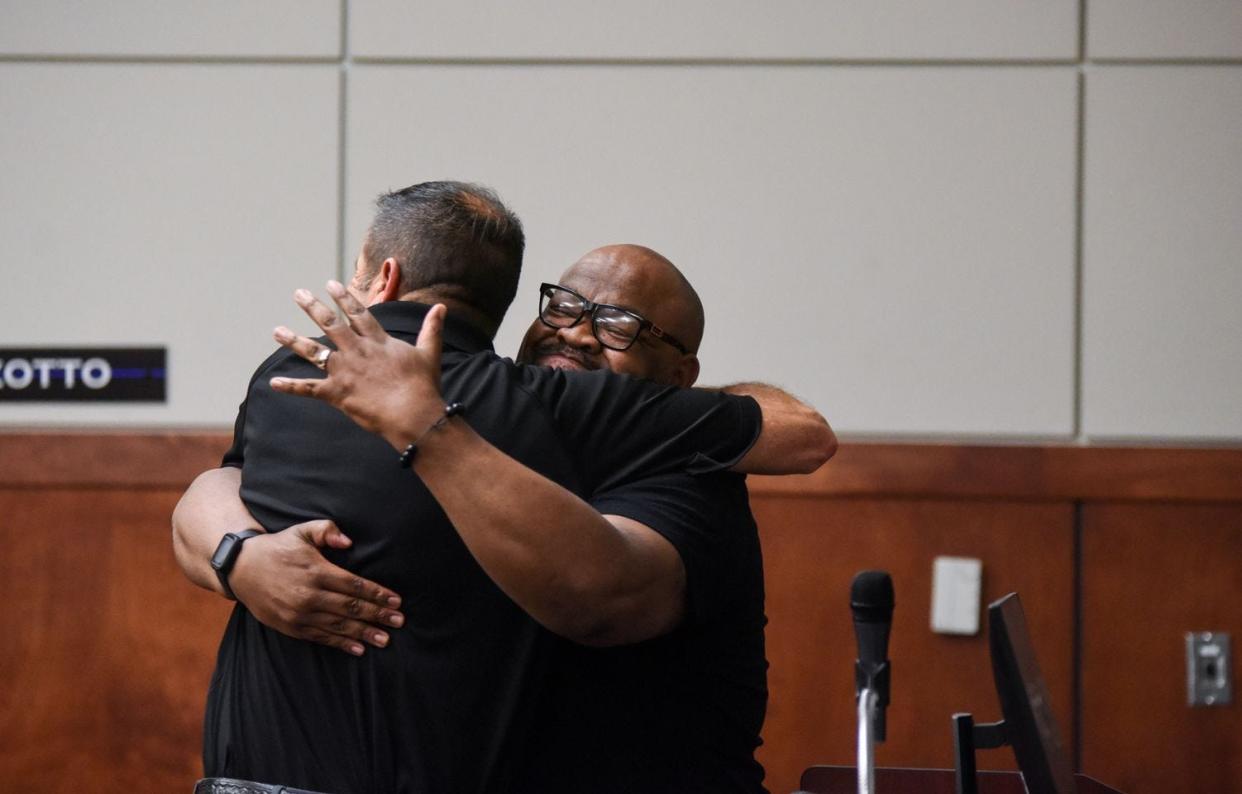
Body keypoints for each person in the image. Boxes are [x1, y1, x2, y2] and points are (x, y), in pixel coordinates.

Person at [173, 181, 834, 794]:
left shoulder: (685, 472)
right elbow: (227, 477)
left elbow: (602, 597)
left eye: (619, 325)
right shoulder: (498, 415)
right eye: (565, 306)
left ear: (679, 377)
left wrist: (424, 425)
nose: (575, 331)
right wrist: (241, 556)